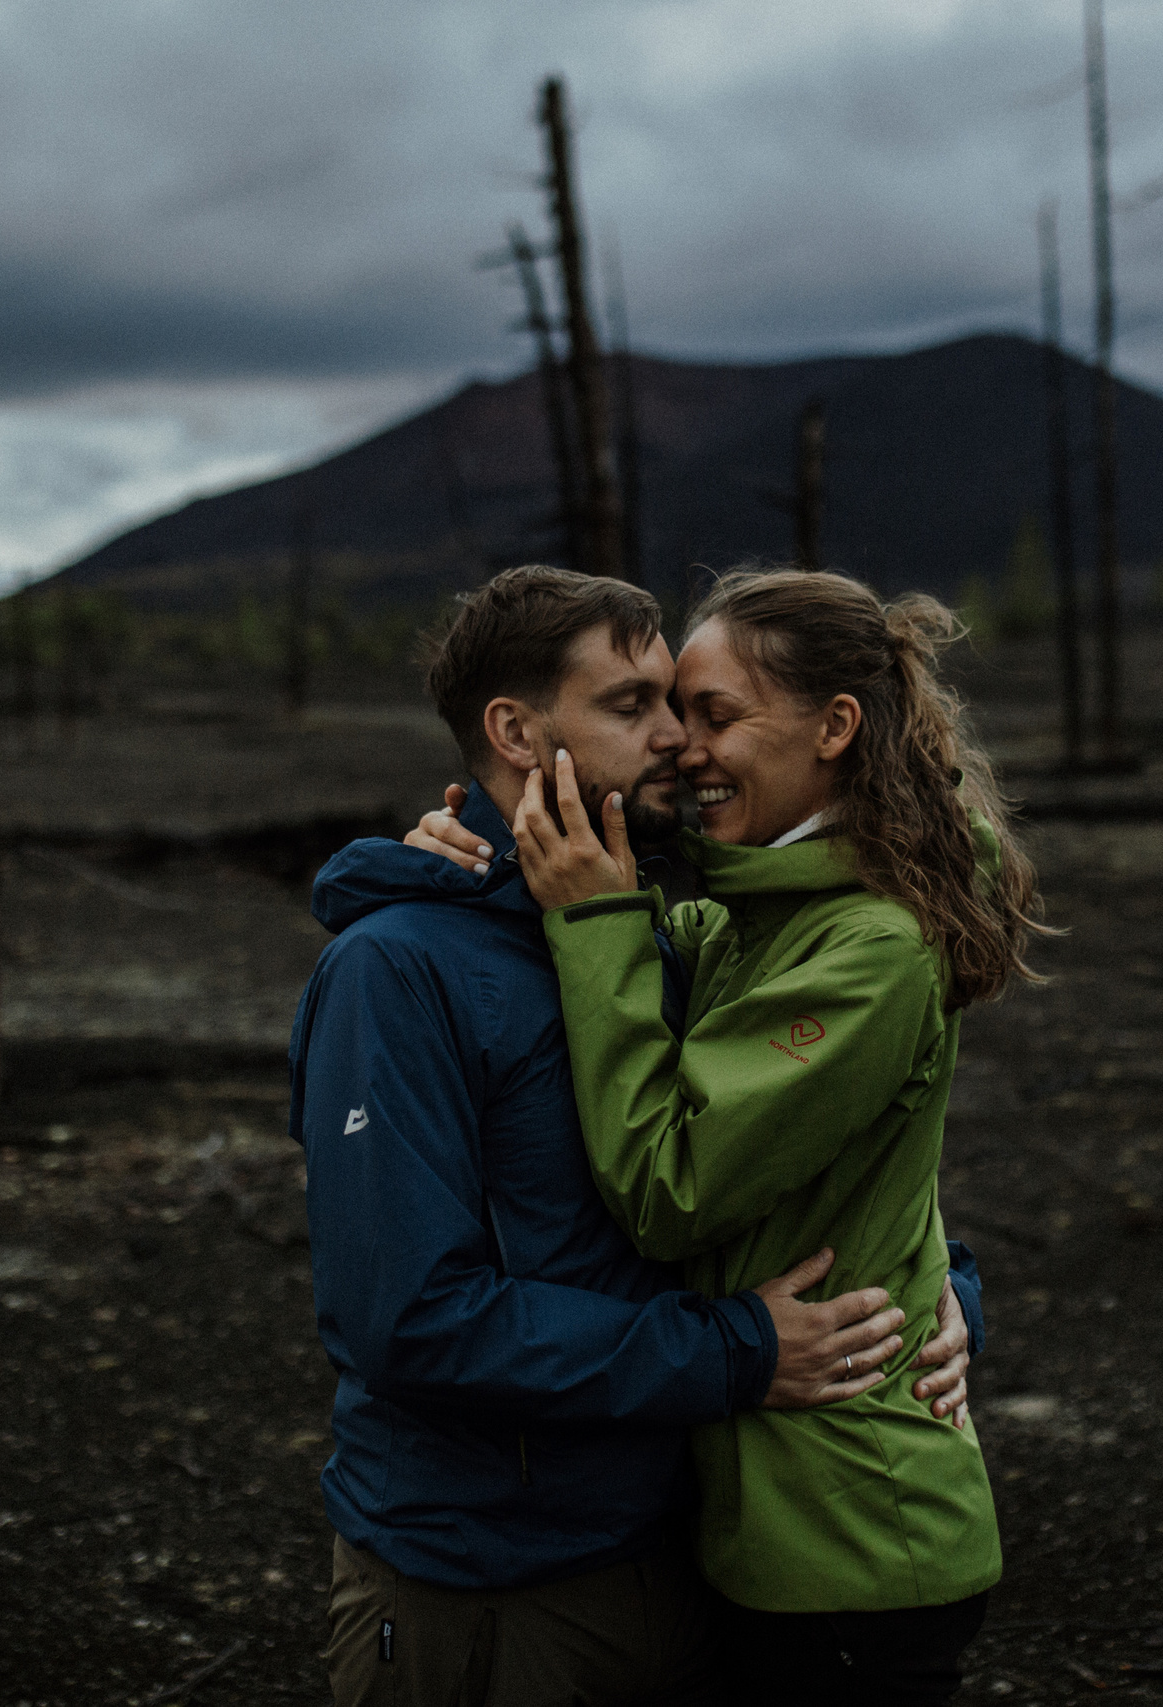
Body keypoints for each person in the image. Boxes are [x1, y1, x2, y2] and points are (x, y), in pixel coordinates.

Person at [289, 565, 982, 1707]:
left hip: (682, 1553)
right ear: (514, 731)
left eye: (688, 705)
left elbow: (805, 1152)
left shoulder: (647, 932)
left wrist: (936, 1286)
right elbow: (406, 1321)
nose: (675, 740)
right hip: (487, 1584)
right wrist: (737, 1355)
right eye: (631, 707)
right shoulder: (395, 971)